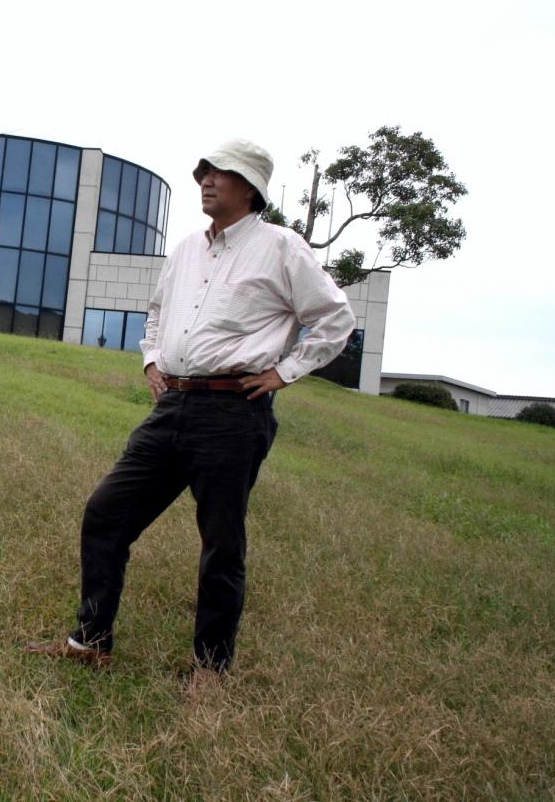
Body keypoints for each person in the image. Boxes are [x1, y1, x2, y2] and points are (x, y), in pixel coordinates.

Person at [25, 138, 356, 688]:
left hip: (234, 411)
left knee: (221, 542)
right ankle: (91, 642)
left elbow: (335, 318)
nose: (206, 180)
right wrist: (152, 359)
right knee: (107, 512)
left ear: (250, 187)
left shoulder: (281, 248)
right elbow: (156, 313)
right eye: (204, 171)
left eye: (220, 172)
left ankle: (210, 669)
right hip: (172, 405)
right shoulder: (184, 250)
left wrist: (284, 372)